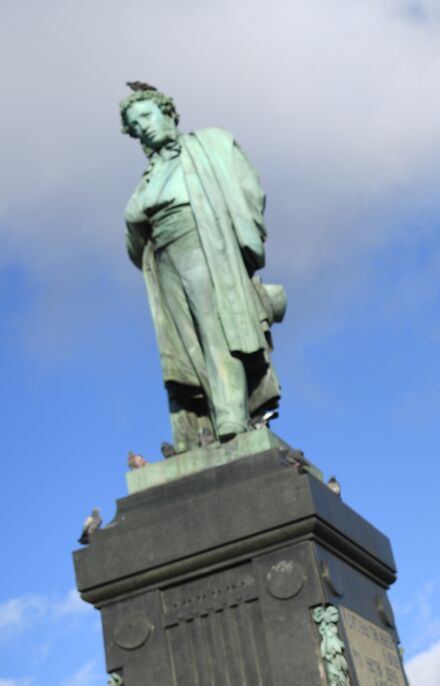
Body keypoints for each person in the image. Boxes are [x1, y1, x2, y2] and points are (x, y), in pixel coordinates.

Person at [119, 83, 285, 452]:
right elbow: (134, 239)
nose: (143, 127)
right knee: (183, 347)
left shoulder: (211, 143)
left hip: (204, 240)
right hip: (163, 258)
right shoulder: (147, 179)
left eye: (147, 115)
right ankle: (205, 423)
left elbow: (249, 189)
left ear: (167, 112)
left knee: (218, 329)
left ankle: (230, 415)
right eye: (135, 125)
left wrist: (241, 240)